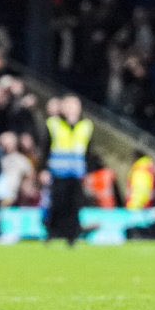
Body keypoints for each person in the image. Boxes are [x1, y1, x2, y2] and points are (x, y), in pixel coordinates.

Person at [44, 95, 93, 245]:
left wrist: (89, 172)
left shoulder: (86, 125)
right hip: (58, 172)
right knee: (56, 204)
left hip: (77, 173)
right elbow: (45, 147)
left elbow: (89, 152)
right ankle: (52, 233)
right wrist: (43, 169)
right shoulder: (54, 124)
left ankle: (72, 236)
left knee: (74, 204)